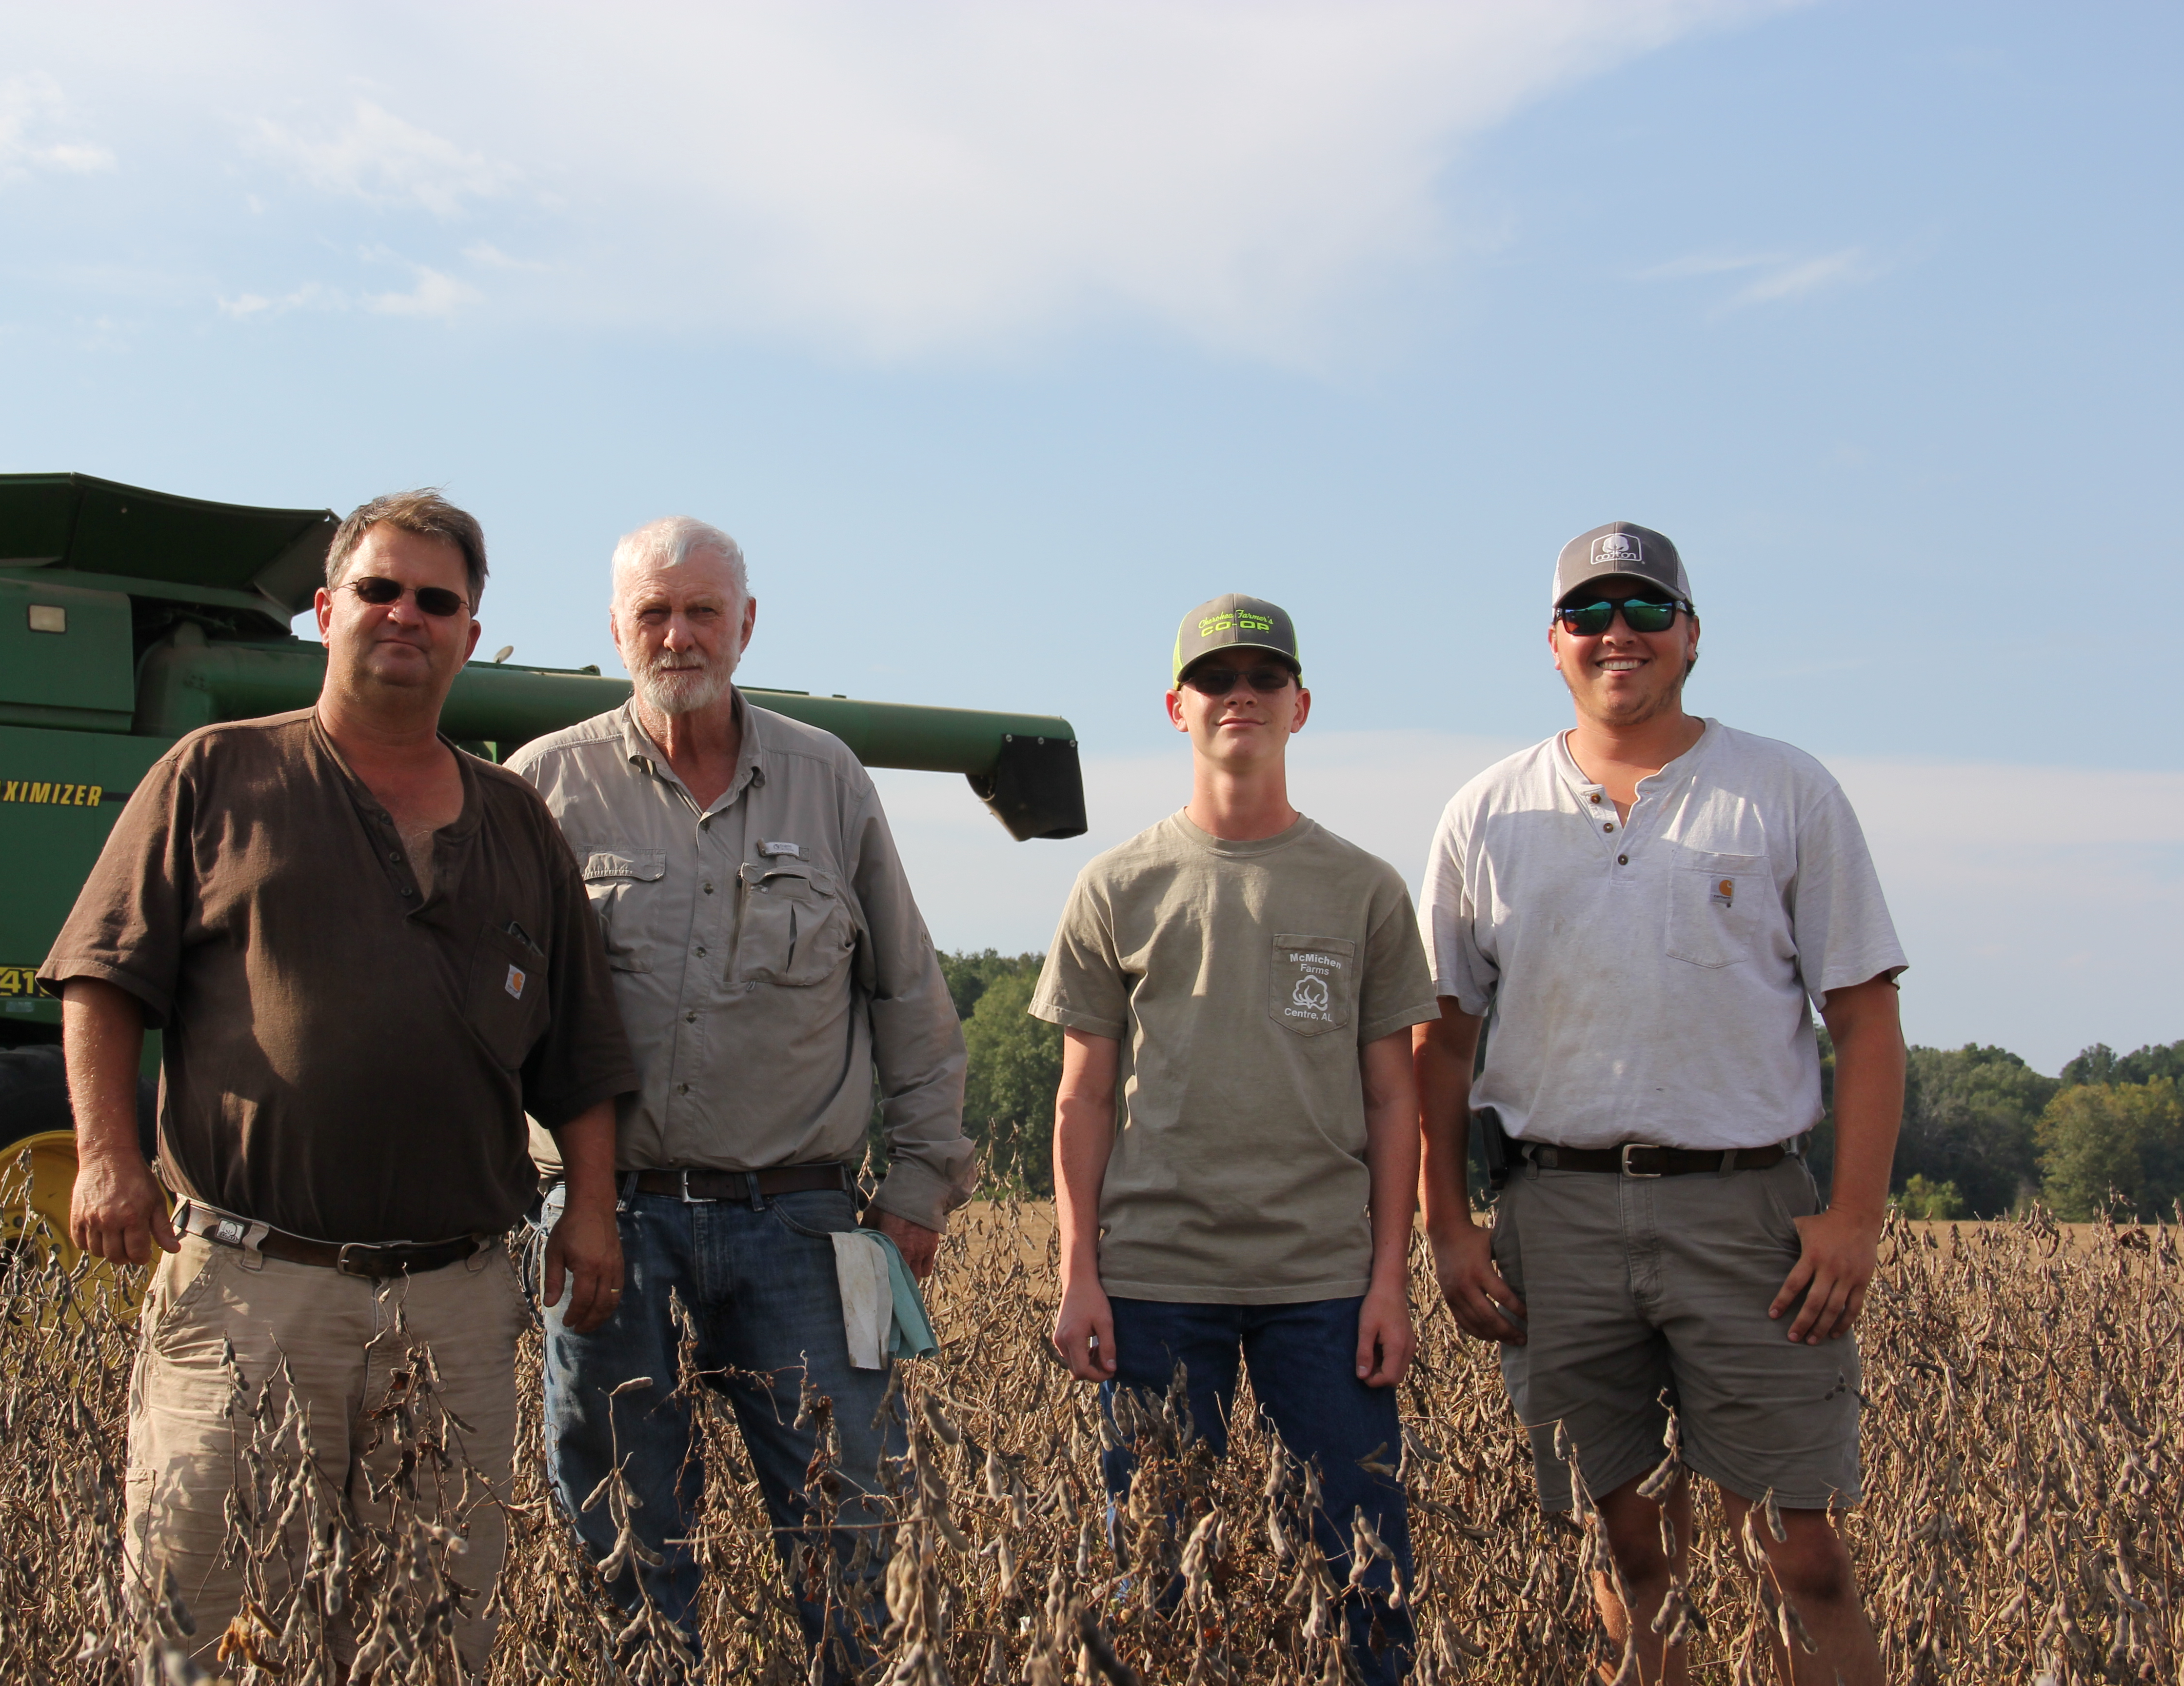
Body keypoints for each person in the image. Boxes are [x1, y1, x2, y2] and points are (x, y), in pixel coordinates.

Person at [43, 489, 636, 1668]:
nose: (404, 615)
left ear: (471, 633)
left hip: (457, 1301)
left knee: (428, 1634)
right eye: (378, 590)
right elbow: (103, 981)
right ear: (326, 612)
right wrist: (109, 1159)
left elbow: (580, 1051)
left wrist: (597, 1211)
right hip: (253, 1287)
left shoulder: (520, 823)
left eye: (437, 599)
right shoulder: (214, 776)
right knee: (207, 1627)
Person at [1415, 522, 1908, 1686]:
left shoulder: (1785, 791)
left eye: (1644, 612)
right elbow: (1441, 1047)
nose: (1616, 636)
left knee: (1803, 1555)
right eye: (1589, 615)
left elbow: (1868, 1021)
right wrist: (1446, 1227)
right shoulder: (1486, 813)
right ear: (1553, 645)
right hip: (1558, 1218)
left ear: (1691, 636)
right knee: (1629, 1546)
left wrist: (1852, 1220)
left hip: (1749, 1219)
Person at [505, 516, 973, 1670]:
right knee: (625, 1538)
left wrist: (917, 1186)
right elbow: (494, 1022)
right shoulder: (542, 789)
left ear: (747, 624)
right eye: (653, 613)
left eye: (702, 610)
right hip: (609, 1224)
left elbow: (909, 993)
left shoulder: (830, 782)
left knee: (852, 1531)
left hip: (805, 1227)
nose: (678, 634)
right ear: (616, 630)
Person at [1033, 594, 1432, 1684]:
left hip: (1325, 1284)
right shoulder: (1117, 886)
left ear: (1302, 706)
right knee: (1154, 1572)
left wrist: (1391, 1279)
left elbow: (1396, 1100)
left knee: (1364, 1574)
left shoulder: (1365, 890)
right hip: (1159, 1277)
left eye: (1264, 679)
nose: (1240, 697)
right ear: (1176, 708)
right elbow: (1081, 1100)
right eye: (1216, 680)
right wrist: (1080, 1274)